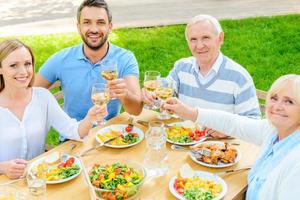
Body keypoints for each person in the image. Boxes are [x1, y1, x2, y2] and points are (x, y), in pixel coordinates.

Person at [163, 74, 300, 199]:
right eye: (274, 98)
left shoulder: (295, 162)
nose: (277, 106)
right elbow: (233, 123)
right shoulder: (272, 131)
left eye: (289, 102)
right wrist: (188, 112)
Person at [0, 39, 107, 179]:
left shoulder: (42, 97)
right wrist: (3, 167)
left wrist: (90, 118)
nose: (23, 71)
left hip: (38, 180)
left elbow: (73, 131)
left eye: (27, 64)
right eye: (13, 65)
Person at [142, 14, 261, 137]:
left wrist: (227, 130)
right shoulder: (181, 68)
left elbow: (254, 125)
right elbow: (163, 95)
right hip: (183, 140)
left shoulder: (239, 77)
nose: (199, 46)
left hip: (219, 149)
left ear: (220, 38)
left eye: (205, 38)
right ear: (188, 42)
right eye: (193, 39)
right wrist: (151, 96)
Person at [34, 0, 143, 123]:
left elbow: (136, 110)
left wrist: (125, 94)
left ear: (110, 27)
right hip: (74, 138)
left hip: (110, 135)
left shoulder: (125, 58)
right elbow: (30, 92)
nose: (94, 29)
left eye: (100, 23)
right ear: (79, 27)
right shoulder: (61, 59)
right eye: (87, 23)